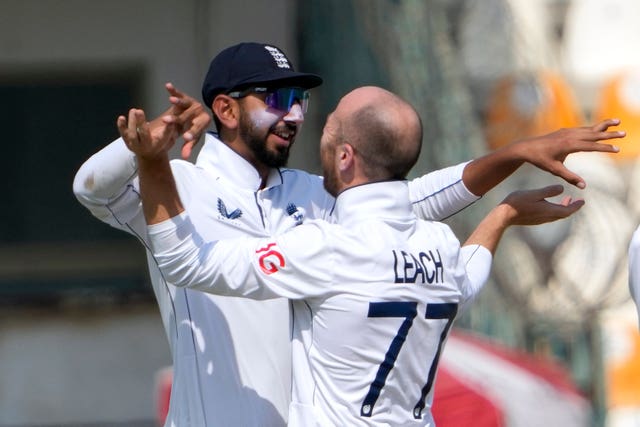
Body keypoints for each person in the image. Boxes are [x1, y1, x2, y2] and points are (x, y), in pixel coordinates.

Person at [73, 41, 624, 427]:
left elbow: (409, 199)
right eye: (278, 99)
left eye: (302, 100)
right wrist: (144, 148)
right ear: (225, 109)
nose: (295, 115)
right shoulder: (179, 187)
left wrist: (511, 155)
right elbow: (91, 190)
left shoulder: (313, 196)